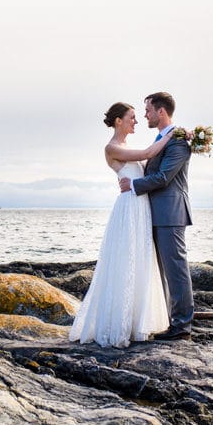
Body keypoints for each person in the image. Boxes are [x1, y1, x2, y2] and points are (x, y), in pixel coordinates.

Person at [69, 102, 172, 348]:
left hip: (140, 208)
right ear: (118, 121)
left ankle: (138, 322)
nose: (136, 121)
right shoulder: (112, 147)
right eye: (132, 117)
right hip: (128, 209)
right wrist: (173, 134)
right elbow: (149, 153)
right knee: (126, 260)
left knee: (140, 260)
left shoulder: (126, 146)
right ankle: (119, 324)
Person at [119, 91, 194, 341]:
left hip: (171, 213)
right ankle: (169, 321)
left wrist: (133, 186)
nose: (145, 115)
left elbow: (164, 177)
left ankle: (182, 326)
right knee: (162, 271)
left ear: (161, 111)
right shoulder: (163, 139)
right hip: (155, 214)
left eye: (148, 110)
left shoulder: (179, 140)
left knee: (176, 270)